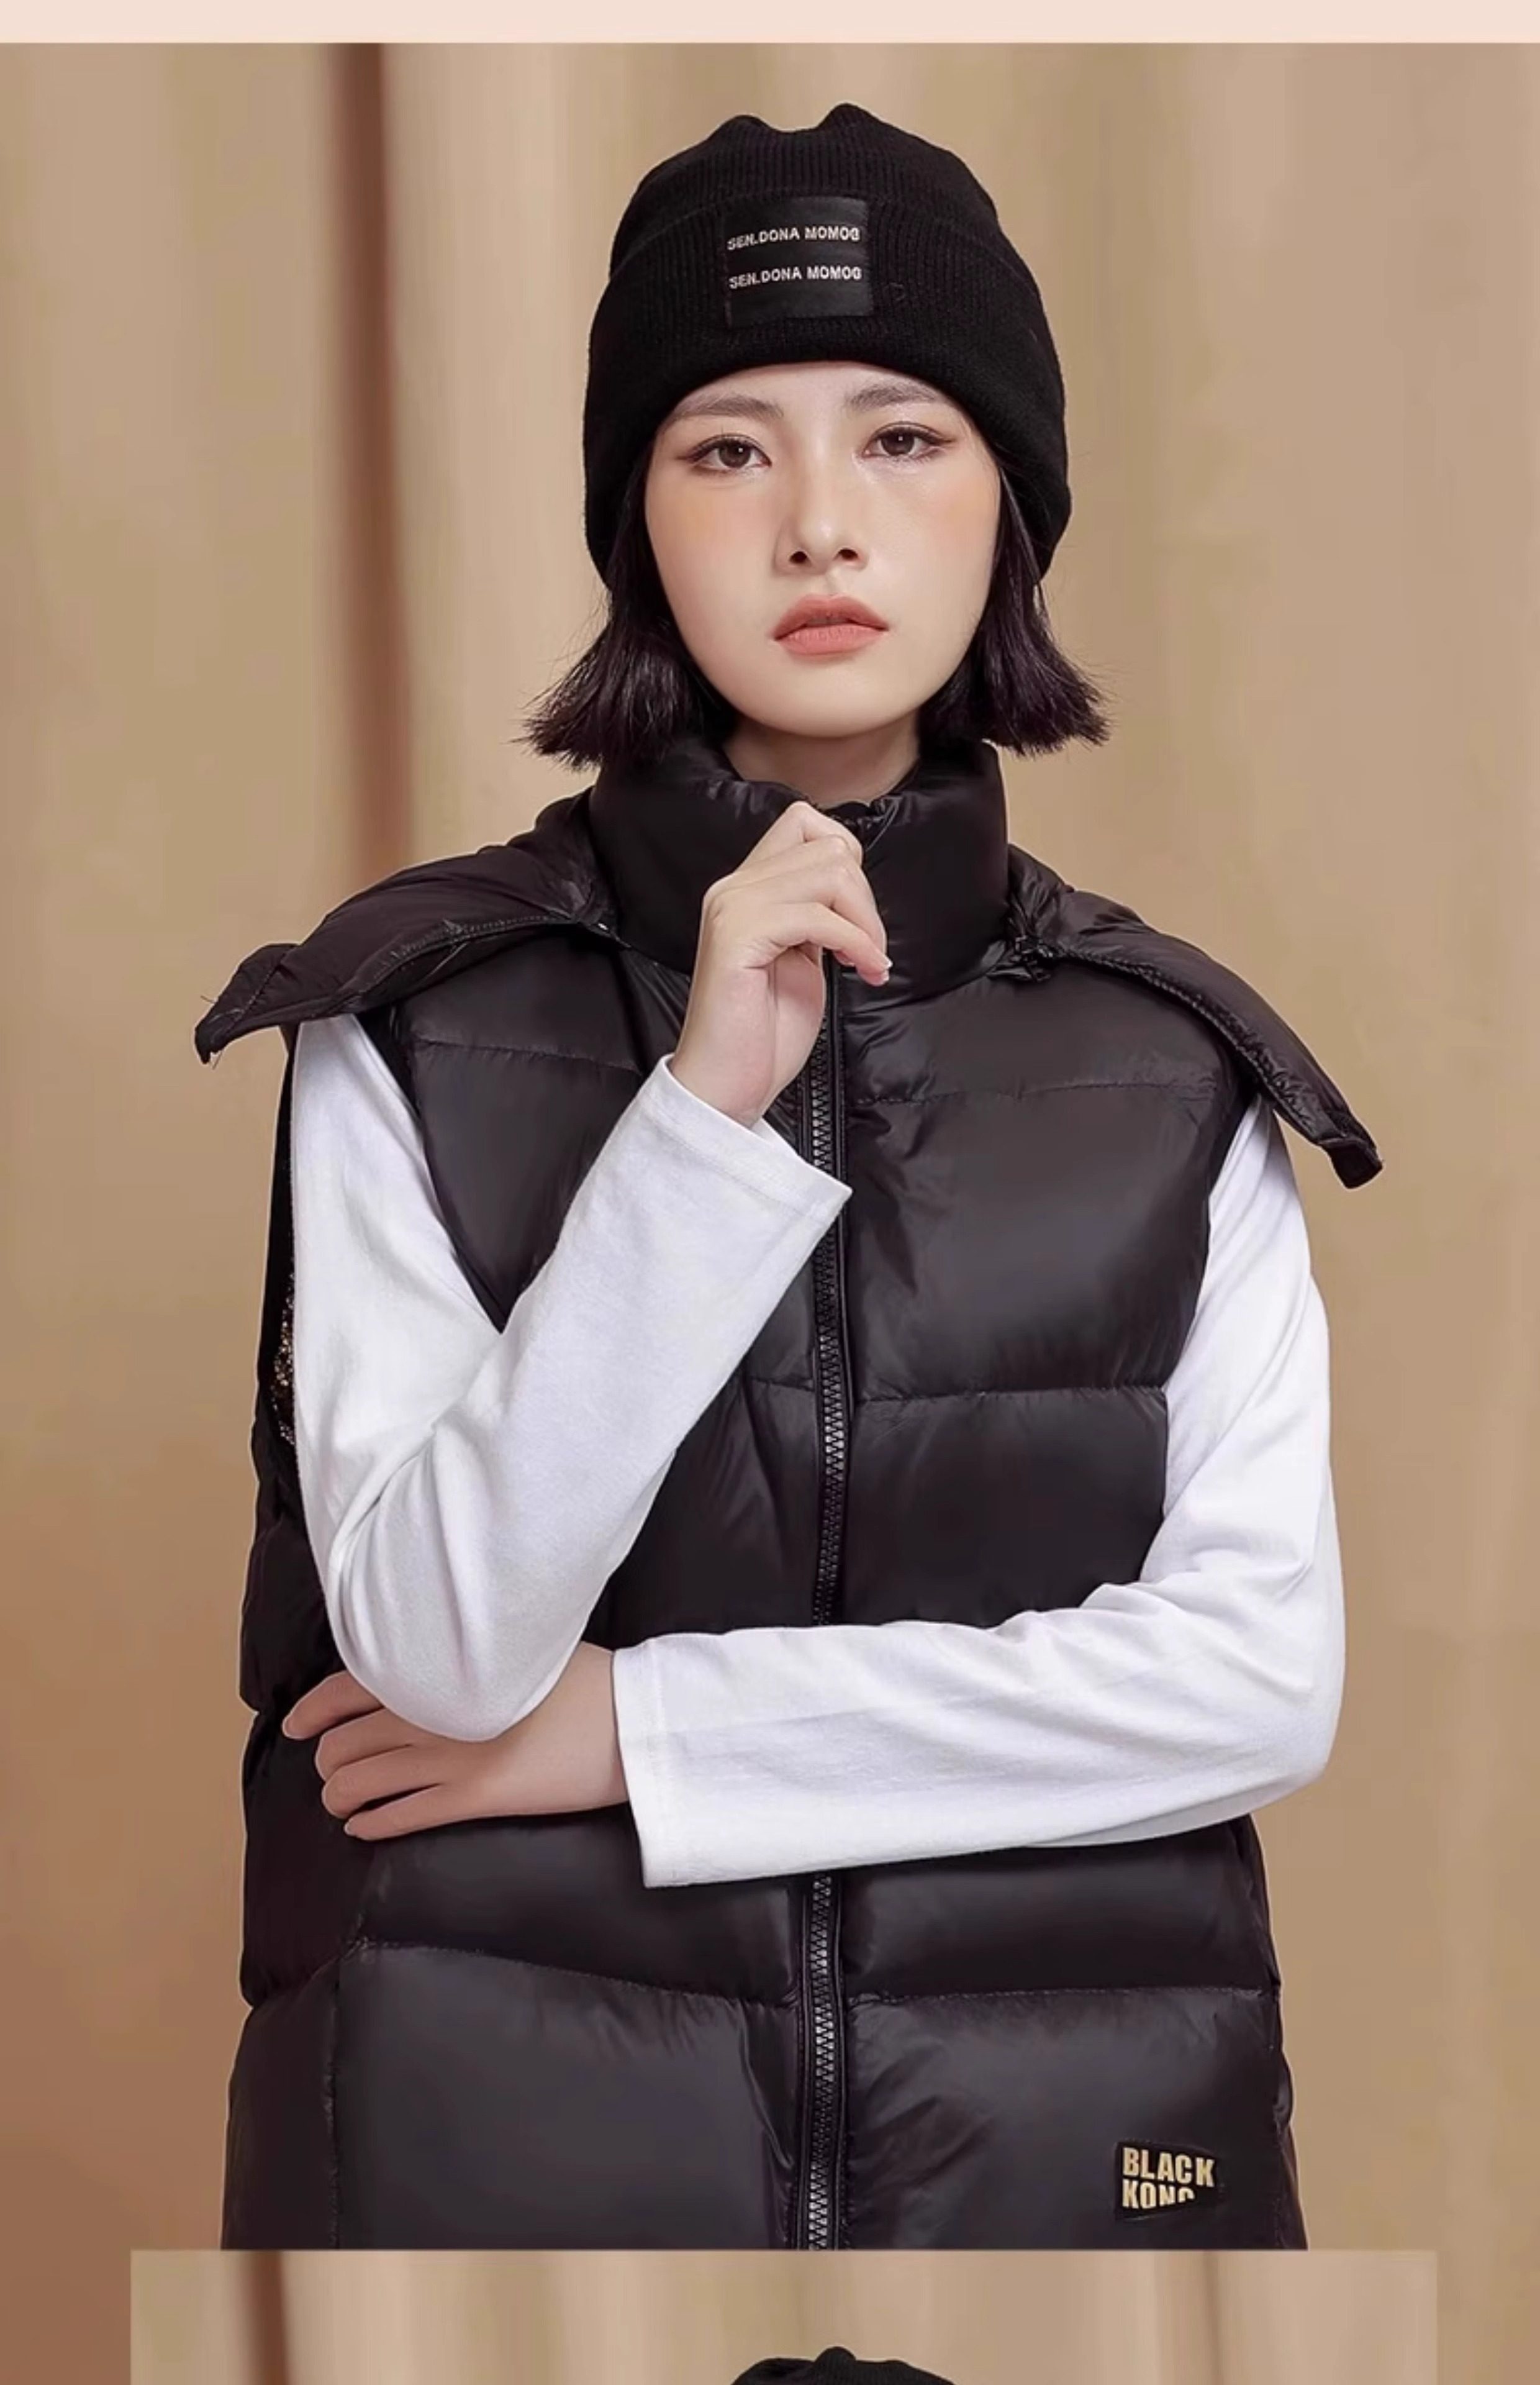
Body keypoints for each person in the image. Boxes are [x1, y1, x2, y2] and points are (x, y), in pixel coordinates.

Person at [194, 103, 1380, 2253]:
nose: (820, 524)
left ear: (1010, 502)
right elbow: (440, 1654)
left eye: (903, 439)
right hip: (497, 2189)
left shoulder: (1172, 1070)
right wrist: (696, 1125)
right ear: (636, 524)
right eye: (726, 449)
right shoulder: (411, 1022)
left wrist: (638, 1732)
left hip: (1075, 2186)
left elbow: (1252, 1682)